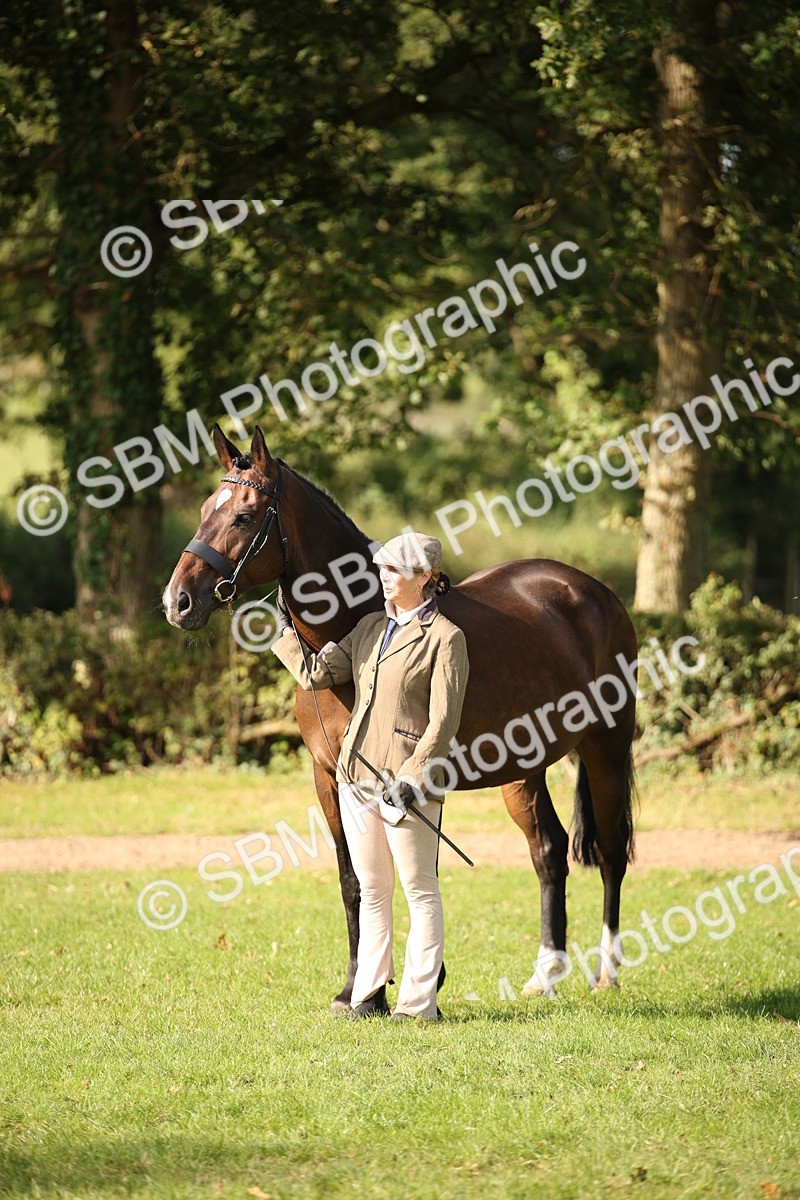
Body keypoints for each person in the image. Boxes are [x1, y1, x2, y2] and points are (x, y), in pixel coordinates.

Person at [271, 531, 470, 1021]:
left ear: (425, 578)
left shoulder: (447, 638)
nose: (383, 578)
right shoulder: (367, 628)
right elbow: (318, 673)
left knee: (420, 890)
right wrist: (281, 632)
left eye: (394, 570)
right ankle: (366, 994)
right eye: (380, 569)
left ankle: (419, 1004)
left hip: (407, 785)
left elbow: (444, 721)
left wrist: (412, 775)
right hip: (356, 777)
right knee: (373, 889)